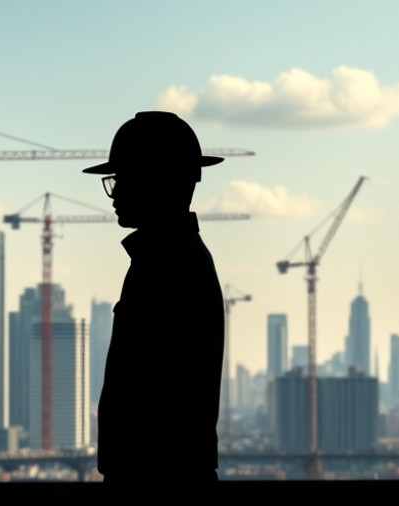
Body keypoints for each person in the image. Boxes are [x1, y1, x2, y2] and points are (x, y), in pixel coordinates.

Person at [83, 111, 226, 493]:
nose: (115, 194)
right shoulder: (171, 259)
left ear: (155, 179)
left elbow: (150, 389)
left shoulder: (167, 265)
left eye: (122, 180)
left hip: (156, 484)